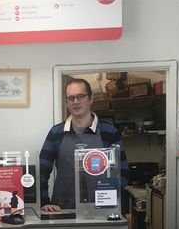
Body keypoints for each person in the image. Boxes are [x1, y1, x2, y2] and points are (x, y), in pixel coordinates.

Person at [39, 78, 128, 211]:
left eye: (81, 96)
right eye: (71, 98)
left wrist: (113, 200)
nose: (76, 102)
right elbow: (41, 171)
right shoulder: (56, 132)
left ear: (91, 99)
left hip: (102, 211)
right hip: (62, 210)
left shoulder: (108, 131)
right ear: (66, 102)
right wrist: (44, 201)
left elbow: (123, 171)